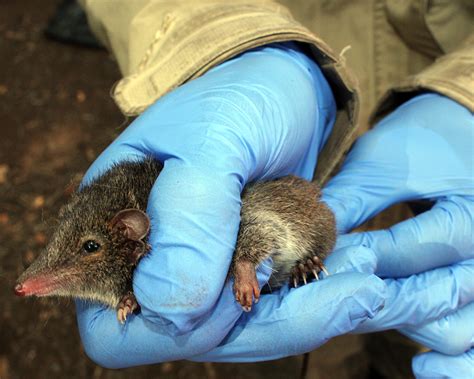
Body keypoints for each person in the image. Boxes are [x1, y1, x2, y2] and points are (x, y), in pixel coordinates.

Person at [75, 1, 473, 377]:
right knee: (322, 320)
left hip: (423, 111)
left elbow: (254, 237)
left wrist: (464, 92)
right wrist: (215, 46)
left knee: (425, 318)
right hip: (269, 137)